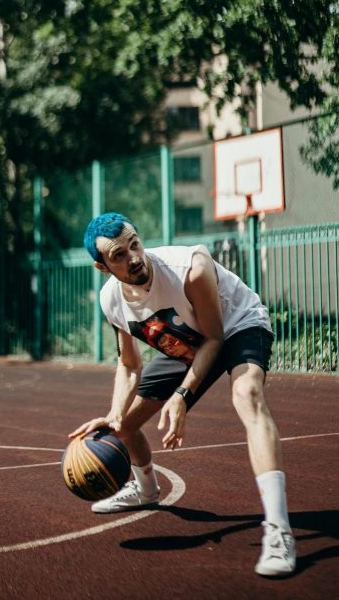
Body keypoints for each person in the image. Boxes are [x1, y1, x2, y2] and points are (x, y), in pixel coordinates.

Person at [69, 212, 296, 577]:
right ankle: (145, 491)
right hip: (187, 343)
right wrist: (114, 414)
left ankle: (278, 529)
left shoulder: (190, 268)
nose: (134, 257)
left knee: (247, 394)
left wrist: (182, 395)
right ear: (102, 267)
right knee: (124, 426)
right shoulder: (111, 299)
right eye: (119, 255)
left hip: (236, 325)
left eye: (134, 243)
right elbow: (129, 365)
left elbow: (215, 338)